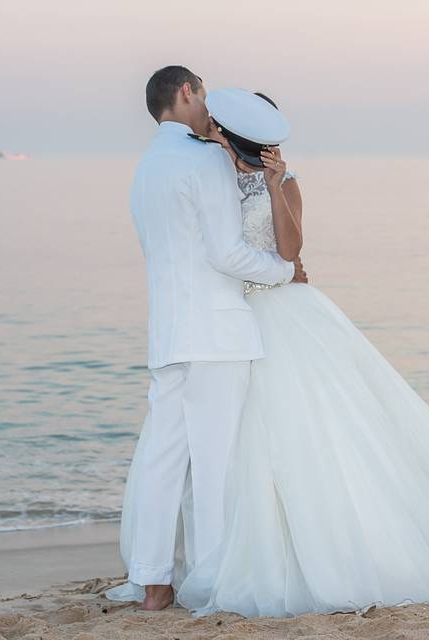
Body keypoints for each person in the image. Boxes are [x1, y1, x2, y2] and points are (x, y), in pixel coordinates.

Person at [165, 88, 429, 618]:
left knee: (308, 430)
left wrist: (274, 185)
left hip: (284, 313)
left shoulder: (286, 181)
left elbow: (292, 250)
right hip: (233, 317)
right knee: (241, 438)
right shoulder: (211, 175)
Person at [104, 67, 307, 612]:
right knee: (215, 466)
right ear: (187, 91)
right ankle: (213, 581)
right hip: (216, 336)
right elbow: (226, 253)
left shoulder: (146, 167)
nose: (210, 103)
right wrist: (287, 273)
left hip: (167, 335)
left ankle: (153, 584)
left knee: (163, 459)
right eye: (204, 91)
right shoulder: (204, 161)